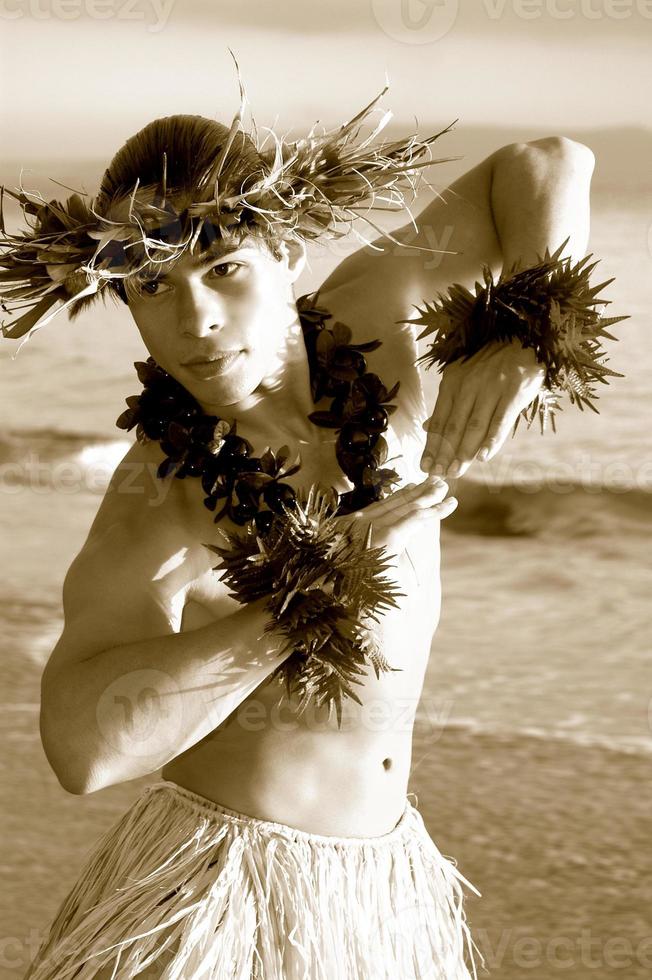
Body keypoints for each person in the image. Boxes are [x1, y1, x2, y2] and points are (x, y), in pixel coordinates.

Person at [5, 85, 598, 979]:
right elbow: (83, 748)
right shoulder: (161, 499)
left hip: (382, 883)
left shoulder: (375, 316)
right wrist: (311, 587)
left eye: (225, 269)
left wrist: (530, 325)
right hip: (217, 892)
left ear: (284, 248)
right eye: (152, 287)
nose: (194, 320)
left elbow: (548, 163)